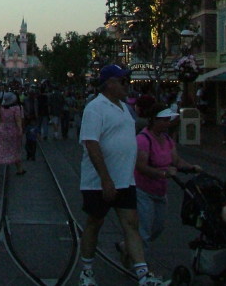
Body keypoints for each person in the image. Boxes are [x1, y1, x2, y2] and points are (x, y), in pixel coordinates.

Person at [78, 64, 165, 286]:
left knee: (131, 224)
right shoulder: (95, 108)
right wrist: (105, 179)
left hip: (125, 179)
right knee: (94, 223)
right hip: (99, 182)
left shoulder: (125, 108)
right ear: (110, 83)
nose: (128, 85)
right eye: (123, 81)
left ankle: (143, 275)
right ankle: (86, 271)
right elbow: (91, 143)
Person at [128, 103, 201, 258]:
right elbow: (141, 166)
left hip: (160, 191)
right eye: (165, 120)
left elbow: (176, 160)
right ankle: (142, 269)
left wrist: (192, 168)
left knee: (158, 227)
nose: (168, 123)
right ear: (155, 120)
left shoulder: (167, 139)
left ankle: (130, 247)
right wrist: (163, 173)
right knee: (145, 229)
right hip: (143, 190)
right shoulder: (143, 139)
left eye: (169, 120)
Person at [0, 91, 25, 177]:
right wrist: (20, 129)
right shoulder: (16, 108)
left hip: (3, 129)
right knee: (14, 149)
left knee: (1, 148)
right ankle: (19, 169)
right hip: (13, 129)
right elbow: (18, 120)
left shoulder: (2, 108)